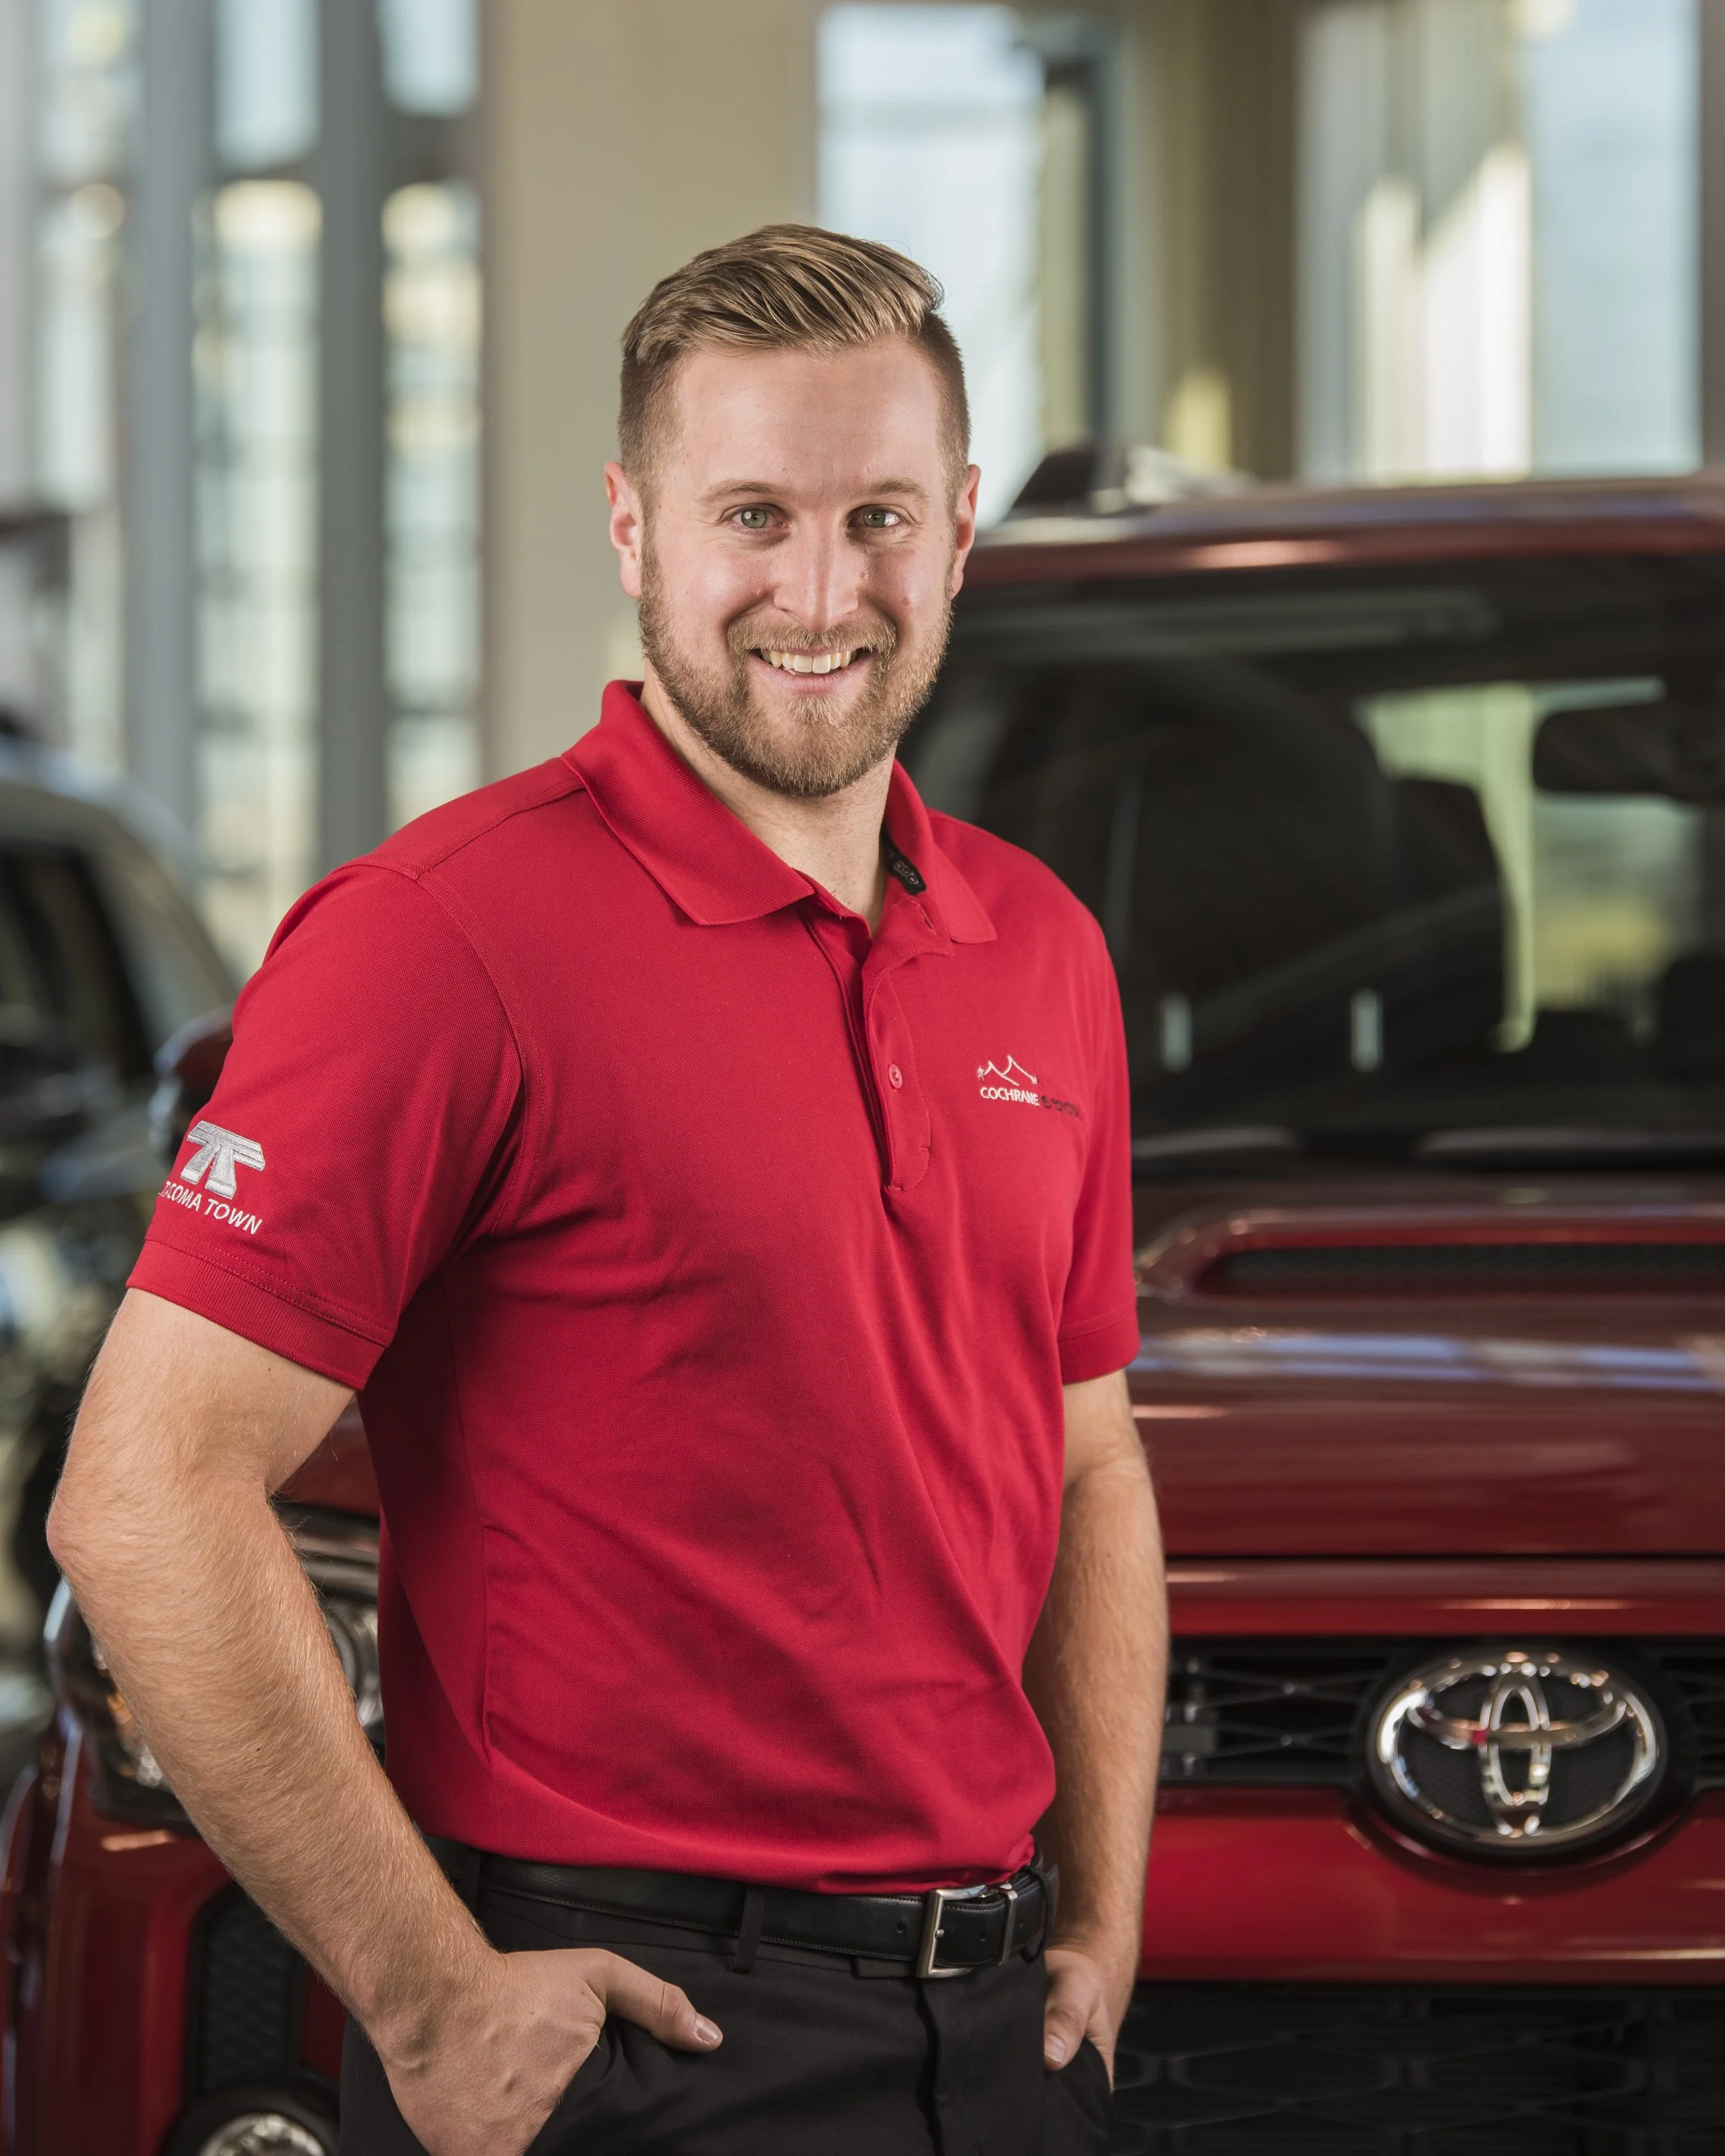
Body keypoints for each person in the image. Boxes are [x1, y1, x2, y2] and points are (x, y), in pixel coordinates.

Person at [50, 225, 1167, 2156]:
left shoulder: (1041, 949)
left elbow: (1087, 1466)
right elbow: (140, 1498)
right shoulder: (443, 939)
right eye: (755, 515)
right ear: (635, 528)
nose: (822, 594)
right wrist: (424, 1999)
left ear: (963, 528)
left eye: (880, 516)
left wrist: (1101, 1911)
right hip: (631, 2045)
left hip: (993, 2050)